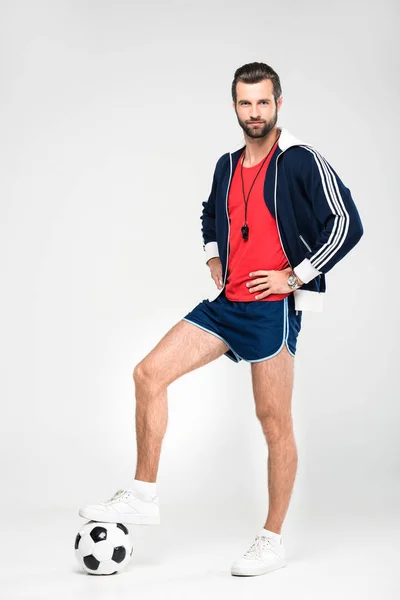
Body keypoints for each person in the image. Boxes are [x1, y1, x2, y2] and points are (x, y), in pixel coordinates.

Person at [79, 62, 364, 577]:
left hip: (271, 312)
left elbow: (347, 222)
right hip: (227, 304)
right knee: (148, 374)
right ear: (234, 106)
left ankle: (271, 538)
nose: (254, 112)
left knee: (273, 422)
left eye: (262, 102)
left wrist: (295, 277)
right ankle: (143, 494)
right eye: (245, 103)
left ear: (279, 102)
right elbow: (211, 211)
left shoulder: (299, 160)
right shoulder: (226, 164)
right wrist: (214, 256)